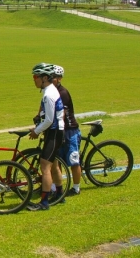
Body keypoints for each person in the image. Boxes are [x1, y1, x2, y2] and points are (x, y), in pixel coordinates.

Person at [27, 62, 65, 211]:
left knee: (45, 167)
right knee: (53, 164)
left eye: (35, 77)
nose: (34, 80)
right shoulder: (50, 90)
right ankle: (59, 194)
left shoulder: (49, 94)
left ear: (44, 78)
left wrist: (36, 131)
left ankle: (44, 202)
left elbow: (49, 120)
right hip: (55, 131)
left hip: (54, 132)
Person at [53, 65, 82, 197]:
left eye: (53, 77)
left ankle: (76, 188)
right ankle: (56, 187)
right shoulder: (50, 91)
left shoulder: (62, 92)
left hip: (69, 130)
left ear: (59, 78)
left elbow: (62, 114)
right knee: (56, 160)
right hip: (59, 129)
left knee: (73, 161)